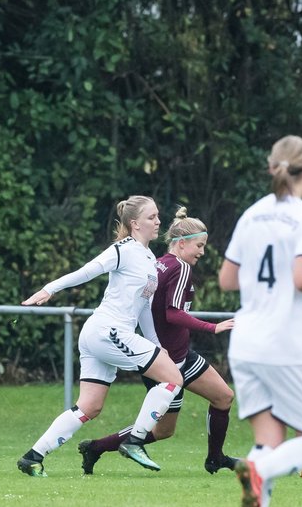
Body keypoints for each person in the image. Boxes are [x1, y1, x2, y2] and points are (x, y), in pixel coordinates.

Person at [217, 135, 302, 507]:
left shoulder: (251, 215)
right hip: (289, 344)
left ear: (272, 167)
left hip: (246, 341)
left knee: (268, 441)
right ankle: (259, 471)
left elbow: (227, 279)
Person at [16, 195, 183, 476]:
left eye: (157, 216)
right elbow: (87, 271)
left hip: (102, 334)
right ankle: (135, 441)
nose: (158, 221)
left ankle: (32, 457)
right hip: (108, 331)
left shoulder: (148, 258)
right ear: (135, 223)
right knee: (173, 379)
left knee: (89, 406)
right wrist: (50, 288)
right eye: (152, 217)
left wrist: (157, 345)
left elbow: (143, 308)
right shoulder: (123, 249)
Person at [76, 208, 240, 476]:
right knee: (166, 428)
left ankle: (215, 457)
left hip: (174, 354)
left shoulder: (159, 263)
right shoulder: (181, 267)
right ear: (182, 242)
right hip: (168, 359)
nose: (202, 252)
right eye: (199, 245)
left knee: (221, 398)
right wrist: (213, 327)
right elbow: (173, 313)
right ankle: (97, 447)